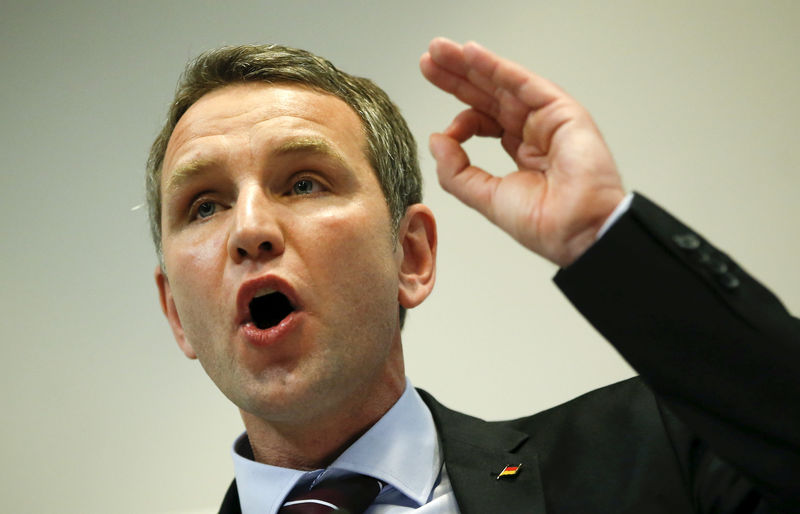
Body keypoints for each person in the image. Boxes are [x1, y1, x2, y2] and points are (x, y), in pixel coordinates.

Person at [147, 37, 800, 513]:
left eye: (304, 182)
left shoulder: (655, 455)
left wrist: (601, 235)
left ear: (411, 257)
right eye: (204, 204)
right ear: (177, 312)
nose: (250, 229)